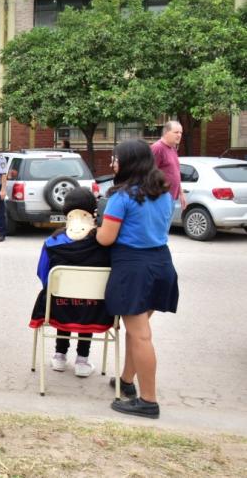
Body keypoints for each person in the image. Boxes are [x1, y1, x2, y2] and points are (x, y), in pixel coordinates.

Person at [97, 139, 178, 419]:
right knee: (137, 331)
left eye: (116, 159)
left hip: (134, 268)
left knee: (141, 335)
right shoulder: (164, 193)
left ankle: (148, 401)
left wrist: (98, 228)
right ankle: (126, 382)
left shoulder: (122, 196)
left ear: (129, 162)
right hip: (161, 264)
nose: (112, 164)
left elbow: (106, 238)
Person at [29, 187, 112, 378]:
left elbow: (43, 274)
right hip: (96, 309)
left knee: (59, 296)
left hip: (58, 307)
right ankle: (82, 360)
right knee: (86, 302)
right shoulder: (103, 242)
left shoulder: (53, 241)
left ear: (65, 211)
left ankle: (59, 355)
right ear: (93, 211)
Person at [151, 121, 186, 210]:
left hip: (172, 197)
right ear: (166, 133)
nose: (179, 135)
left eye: (181, 132)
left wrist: (181, 193)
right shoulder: (157, 148)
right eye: (176, 132)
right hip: (160, 198)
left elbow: (176, 173)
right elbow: (149, 173)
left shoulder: (173, 148)